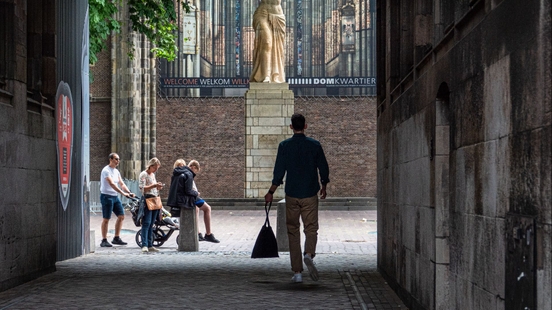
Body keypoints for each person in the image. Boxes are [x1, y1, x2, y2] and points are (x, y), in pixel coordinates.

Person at [264, 113, 329, 283]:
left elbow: (279, 170)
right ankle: (308, 254)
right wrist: (324, 186)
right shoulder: (315, 145)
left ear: (291, 127)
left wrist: (271, 191)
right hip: (310, 193)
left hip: (292, 194)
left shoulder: (284, 146)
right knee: (311, 228)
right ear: (305, 126)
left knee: (293, 231)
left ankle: (298, 272)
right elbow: (323, 166)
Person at [99, 153, 135, 247]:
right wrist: (123, 193)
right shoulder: (106, 170)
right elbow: (112, 184)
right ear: (110, 159)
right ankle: (104, 240)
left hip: (115, 197)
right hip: (106, 196)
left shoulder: (116, 171)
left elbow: (121, 183)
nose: (118, 161)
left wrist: (129, 192)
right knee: (106, 219)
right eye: (116, 159)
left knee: (121, 216)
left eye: (118, 159)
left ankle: (116, 238)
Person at [249, 0, 286, 83]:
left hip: (278, 15)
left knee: (277, 48)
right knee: (267, 42)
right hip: (262, 13)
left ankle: (275, 76)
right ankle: (266, 75)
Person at [188, 160, 220, 243]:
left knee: (197, 209)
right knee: (207, 208)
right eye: (196, 170)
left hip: (192, 197)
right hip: (193, 197)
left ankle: (198, 233)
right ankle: (208, 234)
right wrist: (196, 193)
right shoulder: (189, 175)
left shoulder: (187, 174)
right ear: (194, 167)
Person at [138, 158, 164, 253]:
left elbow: (153, 188)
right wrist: (153, 186)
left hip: (155, 199)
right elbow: (142, 188)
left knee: (152, 223)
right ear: (151, 166)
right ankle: (144, 244)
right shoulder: (143, 174)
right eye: (155, 168)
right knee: (146, 222)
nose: (156, 170)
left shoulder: (152, 175)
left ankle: (149, 244)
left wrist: (158, 187)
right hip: (148, 199)